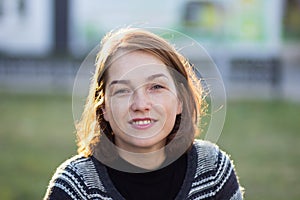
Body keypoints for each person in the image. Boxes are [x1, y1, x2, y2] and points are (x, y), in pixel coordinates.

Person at [44, 27, 244, 200]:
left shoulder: (212, 171)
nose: (140, 104)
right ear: (103, 107)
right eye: (122, 90)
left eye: (156, 87)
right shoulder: (76, 187)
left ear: (180, 101)